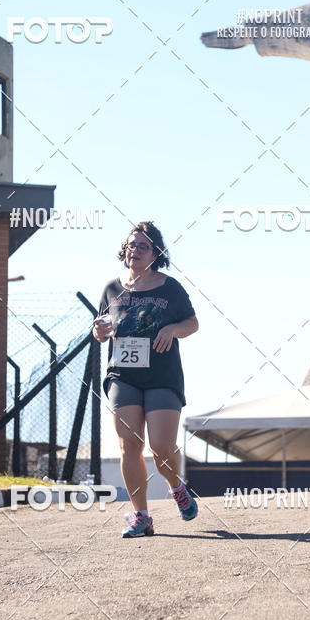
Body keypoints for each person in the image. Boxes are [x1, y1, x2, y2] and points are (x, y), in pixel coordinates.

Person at [93, 221, 199, 538]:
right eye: (131, 245)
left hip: (162, 376)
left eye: (142, 246)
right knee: (129, 445)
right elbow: (100, 328)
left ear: (155, 253)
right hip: (122, 376)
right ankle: (142, 516)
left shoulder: (170, 287)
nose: (134, 250)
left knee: (161, 447)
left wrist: (171, 330)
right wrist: (98, 331)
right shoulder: (112, 288)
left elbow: (192, 323)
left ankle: (176, 486)